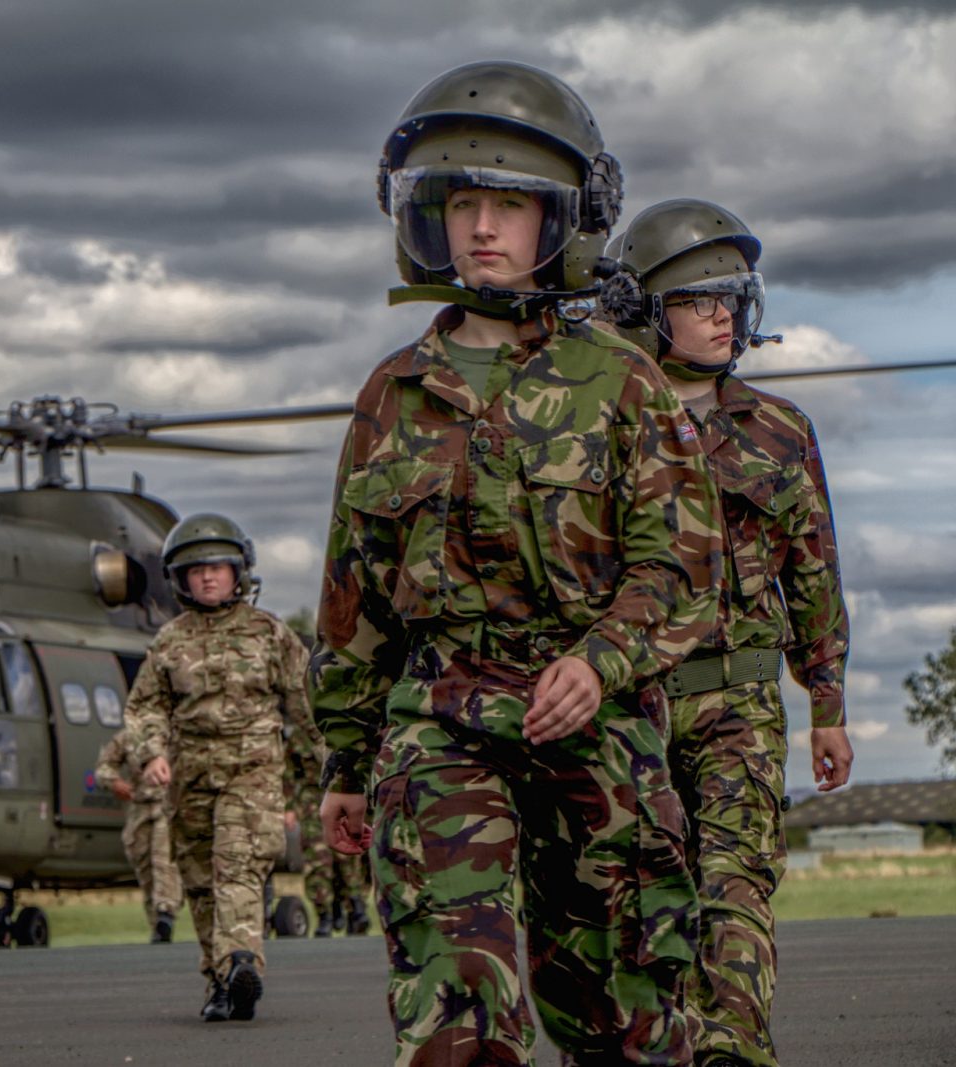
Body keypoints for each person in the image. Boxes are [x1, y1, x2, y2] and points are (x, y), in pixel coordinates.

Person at [309, 61, 724, 1065]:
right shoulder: (393, 395)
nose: (480, 226)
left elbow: (678, 566)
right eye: (460, 202)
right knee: (456, 1018)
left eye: (507, 203)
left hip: (595, 725)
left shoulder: (621, 382)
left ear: (560, 222)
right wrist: (344, 763)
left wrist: (601, 661)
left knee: (625, 1020)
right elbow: (352, 596)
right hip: (441, 726)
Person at [600, 199, 854, 1067]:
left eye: (732, 298)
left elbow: (813, 572)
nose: (722, 316)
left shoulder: (780, 432)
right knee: (629, 905)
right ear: (641, 310)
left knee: (735, 887)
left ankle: (733, 1053)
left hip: (737, 698)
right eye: (698, 298)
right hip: (625, 709)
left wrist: (827, 701)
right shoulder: (595, 427)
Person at [123, 513, 321, 1023]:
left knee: (237, 866)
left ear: (240, 572)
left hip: (251, 772)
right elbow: (145, 706)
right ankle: (220, 982)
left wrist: (339, 767)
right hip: (188, 777)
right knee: (198, 880)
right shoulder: (168, 642)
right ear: (181, 581)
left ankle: (241, 961)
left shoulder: (270, 634)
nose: (209, 577)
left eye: (218, 567)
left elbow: (309, 705)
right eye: (197, 570)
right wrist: (151, 753)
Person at [95, 727, 184, 943]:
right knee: (144, 863)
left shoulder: (176, 733)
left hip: (169, 805)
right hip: (140, 808)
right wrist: (114, 782)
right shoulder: (128, 737)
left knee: (164, 860)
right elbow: (103, 767)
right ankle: (157, 923)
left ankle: (166, 912)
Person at [284, 718, 370, 937]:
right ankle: (325, 915)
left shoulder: (343, 726)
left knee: (349, 857)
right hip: (311, 800)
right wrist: (289, 806)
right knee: (317, 860)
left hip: (347, 794)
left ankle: (356, 909)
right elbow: (288, 772)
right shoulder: (298, 735)